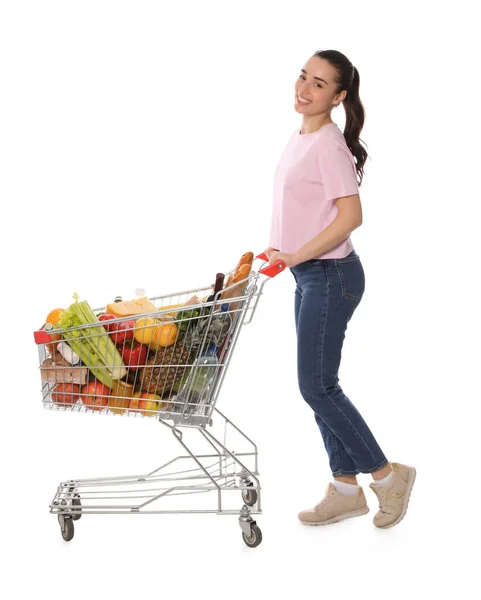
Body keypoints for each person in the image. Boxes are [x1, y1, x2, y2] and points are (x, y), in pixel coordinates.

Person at [265, 50, 416, 529]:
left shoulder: (329, 144)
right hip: (308, 274)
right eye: (303, 77)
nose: (304, 88)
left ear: (339, 96)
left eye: (319, 84)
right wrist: (278, 250)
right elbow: (305, 207)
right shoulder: (301, 135)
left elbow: (352, 218)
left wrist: (295, 254)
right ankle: (346, 488)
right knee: (319, 387)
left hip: (330, 277)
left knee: (317, 386)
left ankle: (390, 478)